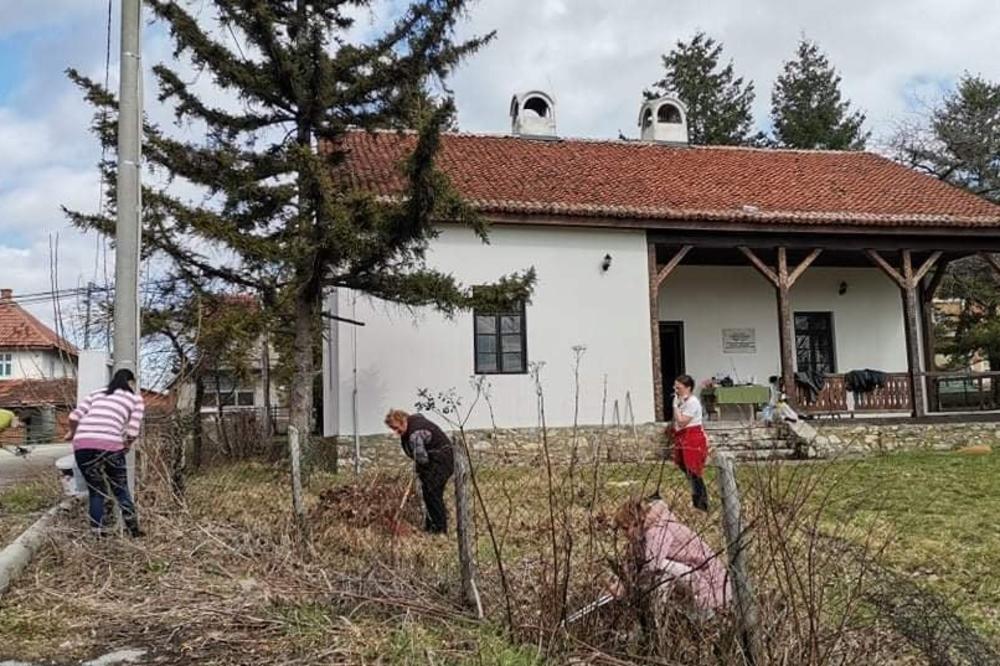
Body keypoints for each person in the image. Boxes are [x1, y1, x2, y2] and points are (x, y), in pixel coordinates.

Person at [610, 496, 731, 630]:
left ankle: (657, 624)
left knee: (661, 569)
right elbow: (634, 562)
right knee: (660, 572)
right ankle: (697, 619)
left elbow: (652, 565)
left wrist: (628, 586)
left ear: (637, 522)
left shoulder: (656, 530)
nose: (625, 534)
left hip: (709, 582)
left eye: (626, 528)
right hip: (696, 577)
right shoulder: (642, 535)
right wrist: (621, 583)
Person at [66, 369, 145, 537]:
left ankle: (96, 532)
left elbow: (73, 417)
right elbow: (132, 431)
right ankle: (134, 530)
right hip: (111, 446)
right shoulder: (135, 399)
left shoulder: (96, 393)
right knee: (120, 488)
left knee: (96, 490)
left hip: (83, 444)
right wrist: (127, 444)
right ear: (131, 383)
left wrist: (72, 433)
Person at [384, 409, 454, 534]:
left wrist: (421, 469)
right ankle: (431, 526)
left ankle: (440, 530)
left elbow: (421, 458)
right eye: (393, 429)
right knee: (429, 493)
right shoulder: (412, 425)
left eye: (396, 428)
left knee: (433, 493)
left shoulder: (414, 434)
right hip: (436, 461)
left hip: (441, 461)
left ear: (403, 420)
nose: (395, 432)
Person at [670, 374, 710, 511]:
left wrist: (675, 407)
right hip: (683, 437)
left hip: (693, 438)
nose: (676, 390)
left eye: (679, 388)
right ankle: (696, 499)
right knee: (686, 470)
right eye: (675, 387)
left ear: (688, 388)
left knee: (694, 471)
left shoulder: (693, 402)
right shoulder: (683, 401)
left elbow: (682, 421)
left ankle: (701, 502)